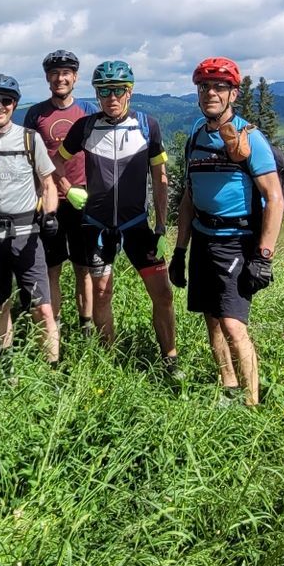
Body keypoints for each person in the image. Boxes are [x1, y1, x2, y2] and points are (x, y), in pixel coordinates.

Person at [170, 57, 284, 406]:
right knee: (212, 320)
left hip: (237, 241)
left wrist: (264, 257)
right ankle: (229, 387)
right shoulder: (196, 133)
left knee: (234, 326)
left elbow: (274, 197)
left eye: (219, 87)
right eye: (204, 87)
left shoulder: (251, 138)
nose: (210, 93)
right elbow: (189, 196)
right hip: (203, 238)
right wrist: (179, 251)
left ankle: (251, 404)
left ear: (233, 94)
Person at [58, 60, 178, 372]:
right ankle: (107, 361)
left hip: (137, 225)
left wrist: (161, 226)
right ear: (96, 94)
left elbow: (160, 178)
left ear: (130, 91)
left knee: (163, 294)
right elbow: (55, 161)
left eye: (118, 90)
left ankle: (170, 360)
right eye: (104, 91)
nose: (111, 97)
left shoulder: (147, 125)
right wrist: (68, 188)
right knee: (101, 293)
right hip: (97, 226)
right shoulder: (85, 127)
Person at [0, 73, 60, 363]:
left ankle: (54, 368)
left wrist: (50, 214)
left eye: (6, 101)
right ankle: (6, 367)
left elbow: (48, 183)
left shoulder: (30, 139)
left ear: (14, 105)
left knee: (43, 307)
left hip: (26, 234)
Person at [23, 49, 96, 331]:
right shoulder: (36, 113)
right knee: (51, 268)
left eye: (66, 73)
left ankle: (85, 326)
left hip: (83, 199)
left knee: (83, 267)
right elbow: (30, 157)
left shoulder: (88, 110)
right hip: (49, 201)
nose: (60, 78)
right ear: (47, 78)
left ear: (75, 77)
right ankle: (53, 327)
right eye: (54, 73)